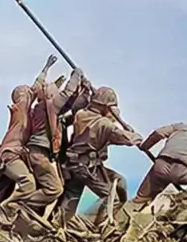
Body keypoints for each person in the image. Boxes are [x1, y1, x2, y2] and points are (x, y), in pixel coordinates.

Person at [57, 86, 143, 224]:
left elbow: (102, 135)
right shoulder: (104, 124)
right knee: (111, 198)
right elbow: (128, 139)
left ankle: (58, 224)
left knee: (119, 182)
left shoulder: (81, 114)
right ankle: (94, 225)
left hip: (78, 165)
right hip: (87, 168)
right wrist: (133, 133)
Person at [25, 57, 86, 215]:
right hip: (39, 154)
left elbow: (68, 104)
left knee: (49, 187)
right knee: (55, 189)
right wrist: (77, 74)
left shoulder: (43, 109)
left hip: (40, 153)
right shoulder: (49, 107)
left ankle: (30, 215)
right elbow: (67, 94)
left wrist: (82, 91)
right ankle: (18, 205)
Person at [129, 118, 187, 210]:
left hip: (160, 167)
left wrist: (145, 146)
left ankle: (132, 207)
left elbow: (158, 133)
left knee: (141, 198)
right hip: (181, 173)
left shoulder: (180, 127)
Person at [0, 83, 37, 224]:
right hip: (10, 156)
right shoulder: (20, 108)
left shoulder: (25, 112)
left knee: (4, 191)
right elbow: (35, 90)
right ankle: (2, 213)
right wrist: (44, 76)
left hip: (8, 155)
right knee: (28, 183)